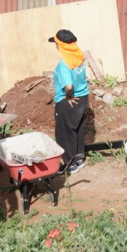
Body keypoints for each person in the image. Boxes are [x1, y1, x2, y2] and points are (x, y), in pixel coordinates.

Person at [50, 29, 89, 175]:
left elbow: (68, 86)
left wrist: (68, 97)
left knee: (65, 133)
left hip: (70, 102)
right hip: (84, 98)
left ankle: (70, 164)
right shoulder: (80, 57)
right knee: (78, 130)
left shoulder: (64, 64)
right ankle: (79, 159)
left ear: (61, 46)